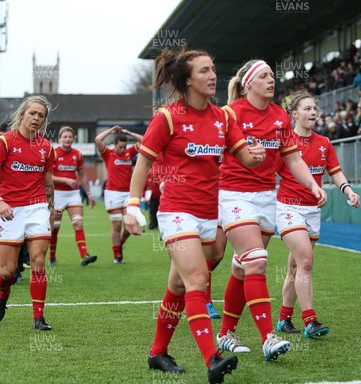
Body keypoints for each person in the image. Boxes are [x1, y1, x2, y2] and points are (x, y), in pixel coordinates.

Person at [125, 49, 265, 383]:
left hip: (209, 214)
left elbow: (244, 157)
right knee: (198, 281)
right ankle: (212, 358)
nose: (212, 75)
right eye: (204, 71)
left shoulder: (223, 117)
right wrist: (132, 206)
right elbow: (144, 162)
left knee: (177, 285)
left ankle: (158, 353)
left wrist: (256, 156)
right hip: (176, 213)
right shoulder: (167, 117)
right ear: (187, 80)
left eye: (214, 69)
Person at [214, 60, 327, 360]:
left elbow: (292, 159)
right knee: (257, 260)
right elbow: (211, 153)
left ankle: (225, 333)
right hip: (234, 196)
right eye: (263, 76)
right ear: (248, 83)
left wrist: (312, 185)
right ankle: (268, 337)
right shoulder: (230, 113)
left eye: (272, 76)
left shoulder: (279, 115)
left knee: (242, 266)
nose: (271, 80)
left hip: (266, 197)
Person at [274, 91, 360, 338]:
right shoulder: (285, 143)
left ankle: (283, 319)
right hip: (288, 208)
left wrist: (349, 191)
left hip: (313, 211)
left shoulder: (324, 143)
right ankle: (310, 321)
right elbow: (270, 175)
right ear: (295, 114)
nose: (313, 112)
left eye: (315, 109)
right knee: (307, 261)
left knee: (295, 266)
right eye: (307, 109)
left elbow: (335, 171)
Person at [0, 95, 56, 330]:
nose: (36, 118)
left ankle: (38, 317)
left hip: (37, 208)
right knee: (6, 273)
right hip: (9, 209)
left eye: (41, 115)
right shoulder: (5, 142)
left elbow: (48, 184)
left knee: (39, 261)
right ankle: (3, 294)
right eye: (32, 113)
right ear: (22, 114)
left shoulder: (46, 147)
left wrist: (51, 211)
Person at [50, 126, 97, 266]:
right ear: (59, 139)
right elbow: (47, 176)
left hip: (73, 194)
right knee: (55, 227)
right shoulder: (54, 154)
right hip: (56, 194)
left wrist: (89, 194)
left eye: (70, 137)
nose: (68, 139)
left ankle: (84, 255)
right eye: (65, 137)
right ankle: (52, 257)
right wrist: (64, 180)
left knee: (78, 223)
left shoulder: (78, 154)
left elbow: (82, 175)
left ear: (74, 139)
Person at [95, 125, 143, 264]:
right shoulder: (108, 153)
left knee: (129, 225)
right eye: (119, 147)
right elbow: (98, 139)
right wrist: (110, 131)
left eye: (124, 146)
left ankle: (119, 244)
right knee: (116, 225)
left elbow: (145, 141)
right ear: (114, 145)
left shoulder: (129, 152)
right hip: (112, 194)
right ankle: (117, 255)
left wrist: (129, 132)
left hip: (128, 194)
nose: (122, 149)